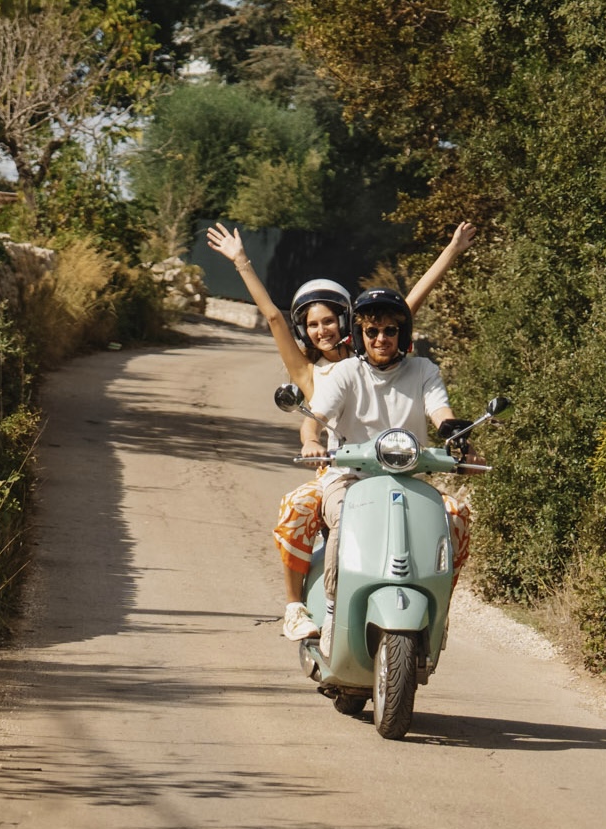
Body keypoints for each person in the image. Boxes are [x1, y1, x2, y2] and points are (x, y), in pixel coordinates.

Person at [206, 221, 477, 640]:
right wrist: (242, 262)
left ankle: (438, 612)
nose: (323, 331)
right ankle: (297, 606)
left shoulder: (375, 348)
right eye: (313, 325)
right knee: (298, 507)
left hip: (399, 464)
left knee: (454, 517)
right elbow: (275, 320)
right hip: (340, 466)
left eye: (330, 321)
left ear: (348, 321)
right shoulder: (315, 371)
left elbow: (407, 305)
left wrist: (453, 250)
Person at [300, 287, 485, 657]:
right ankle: (333, 609)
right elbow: (315, 417)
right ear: (360, 335)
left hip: (408, 479)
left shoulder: (423, 371)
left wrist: (456, 436)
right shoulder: (346, 372)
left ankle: (438, 610)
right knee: (344, 520)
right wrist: (310, 440)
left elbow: (440, 411)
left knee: (455, 519)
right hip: (350, 478)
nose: (381, 338)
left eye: (390, 330)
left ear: (404, 334)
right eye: (372, 331)